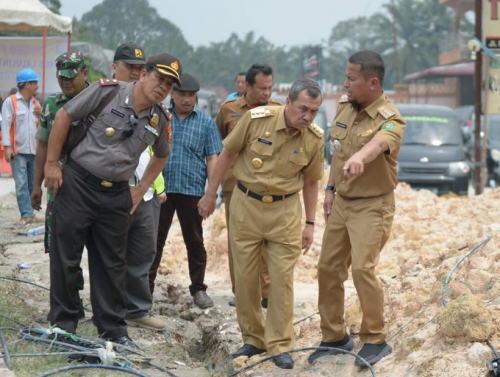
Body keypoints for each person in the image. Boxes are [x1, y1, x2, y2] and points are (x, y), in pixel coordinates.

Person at [44, 53, 182, 348]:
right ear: (143, 75)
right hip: (78, 183)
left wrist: (142, 187)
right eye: (159, 78)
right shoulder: (108, 92)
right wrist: (52, 164)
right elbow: (63, 116)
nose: (163, 87)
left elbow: (162, 154)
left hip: (116, 194)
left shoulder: (159, 118)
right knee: (66, 256)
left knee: (112, 264)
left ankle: (113, 329)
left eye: (169, 85)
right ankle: (63, 325)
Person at [198, 78, 324, 370]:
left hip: (285, 212)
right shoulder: (256, 120)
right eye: (303, 108)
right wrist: (209, 195)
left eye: (314, 111)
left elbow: (311, 181)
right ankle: (253, 338)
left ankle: (280, 344)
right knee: (245, 279)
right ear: (288, 102)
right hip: (246, 206)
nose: (307, 116)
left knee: (282, 281)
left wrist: (310, 223)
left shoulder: (314, 138)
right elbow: (227, 154)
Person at [307, 51, 406, 367]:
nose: (344, 84)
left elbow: (376, 144)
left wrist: (359, 160)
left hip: (372, 205)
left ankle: (375, 338)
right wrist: (330, 188)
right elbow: (338, 150)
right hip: (342, 202)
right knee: (327, 268)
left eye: (351, 79)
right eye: (346, 77)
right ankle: (334, 335)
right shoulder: (344, 108)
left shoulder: (392, 118)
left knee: (363, 268)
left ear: (372, 82)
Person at [150, 73, 223, 309]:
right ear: (173, 93)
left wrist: (211, 194)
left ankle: (199, 289)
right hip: (161, 189)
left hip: (192, 190)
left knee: (194, 240)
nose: (187, 99)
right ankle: (145, 288)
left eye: (191, 95)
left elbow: (213, 157)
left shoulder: (206, 123)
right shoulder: (159, 117)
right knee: (154, 240)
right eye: (182, 94)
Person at [111, 42, 169, 331]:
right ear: (114, 68)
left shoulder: (157, 112)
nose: (134, 73)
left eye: (138, 68)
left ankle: (136, 310)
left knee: (143, 251)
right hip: (111, 188)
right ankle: (109, 309)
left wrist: (153, 188)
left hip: (145, 192)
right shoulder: (103, 99)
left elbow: (160, 153)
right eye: (129, 68)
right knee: (109, 251)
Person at [216, 64, 281, 308]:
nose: (267, 93)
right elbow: (222, 145)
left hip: (267, 186)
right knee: (239, 241)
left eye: (270, 88)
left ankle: (265, 293)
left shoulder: (278, 110)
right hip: (236, 185)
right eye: (262, 88)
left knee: (266, 240)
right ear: (248, 86)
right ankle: (242, 292)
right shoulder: (229, 110)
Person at [31, 52, 89, 320]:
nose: (65, 82)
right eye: (61, 77)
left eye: (71, 76)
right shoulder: (52, 105)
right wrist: (37, 184)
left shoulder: (99, 100)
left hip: (92, 187)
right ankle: (66, 304)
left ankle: (96, 306)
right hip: (59, 187)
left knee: (96, 249)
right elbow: (43, 144)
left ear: (84, 73)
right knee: (58, 247)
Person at [1, 68, 42, 225]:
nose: (37, 86)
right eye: (34, 83)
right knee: (21, 184)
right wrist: (7, 147)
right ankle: (26, 214)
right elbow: (5, 125)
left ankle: (30, 213)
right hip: (18, 151)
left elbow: (39, 125)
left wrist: (40, 114)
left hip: (33, 150)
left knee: (32, 184)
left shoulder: (36, 103)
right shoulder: (10, 102)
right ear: (26, 84)